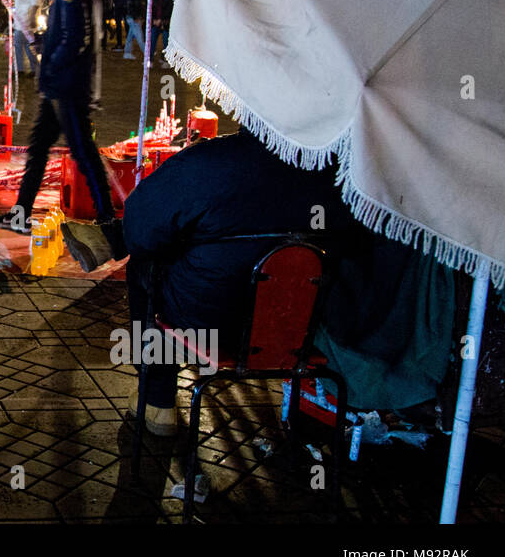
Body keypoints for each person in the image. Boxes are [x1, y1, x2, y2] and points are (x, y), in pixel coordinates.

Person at [122, 129, 357, 435]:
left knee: (144, 267)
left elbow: (141, 232)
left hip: (205, 323)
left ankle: (157, 402)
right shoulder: (338, 171)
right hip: (300, 329)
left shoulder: (209, 161)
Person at [0, 0, 122, 261]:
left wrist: (52, 62)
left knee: (83, 151)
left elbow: (77, 35)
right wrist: (44, 41)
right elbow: (69, 30)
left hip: (65, 83)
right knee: (39, 146)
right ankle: (21, 213)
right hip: (62, 80)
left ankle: (110, 222)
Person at [11, 0, 41, 75]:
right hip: (22, 17)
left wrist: (33, 17)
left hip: (26, 18)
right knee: (27, 44)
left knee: (19, 43)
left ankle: (20, 69)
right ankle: (33, 69)